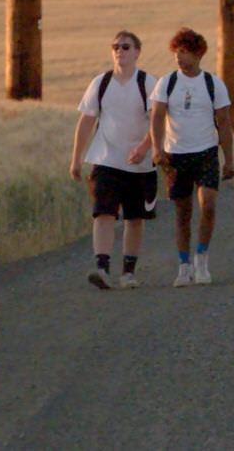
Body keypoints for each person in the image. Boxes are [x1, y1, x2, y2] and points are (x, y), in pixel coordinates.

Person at [131, 27, 234, 287]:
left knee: (208, 205)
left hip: (206, 152)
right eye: (177, 52)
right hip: (176, 155)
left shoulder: (213, 84)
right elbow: (157, 117)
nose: (179, 57)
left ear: (198, 54)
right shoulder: (167, 83)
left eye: (185, 52)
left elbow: (223, 122)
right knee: (182, 212)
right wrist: (157, 148)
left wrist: (229, 158)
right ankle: (184, 265)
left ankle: (202, 259)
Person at [68, 30, 158, 290]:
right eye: (115, 47)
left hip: (140, 164)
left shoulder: (147, 83)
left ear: (137, 52)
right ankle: (102, 267)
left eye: (126, 47)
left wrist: (144, 148)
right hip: (106, 160)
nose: (120, 51)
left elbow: (158, 122)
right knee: (103, 213)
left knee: (134, 218)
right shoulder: (101, 83)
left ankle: (128, 272)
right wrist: (76, 159)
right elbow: (86, 121)